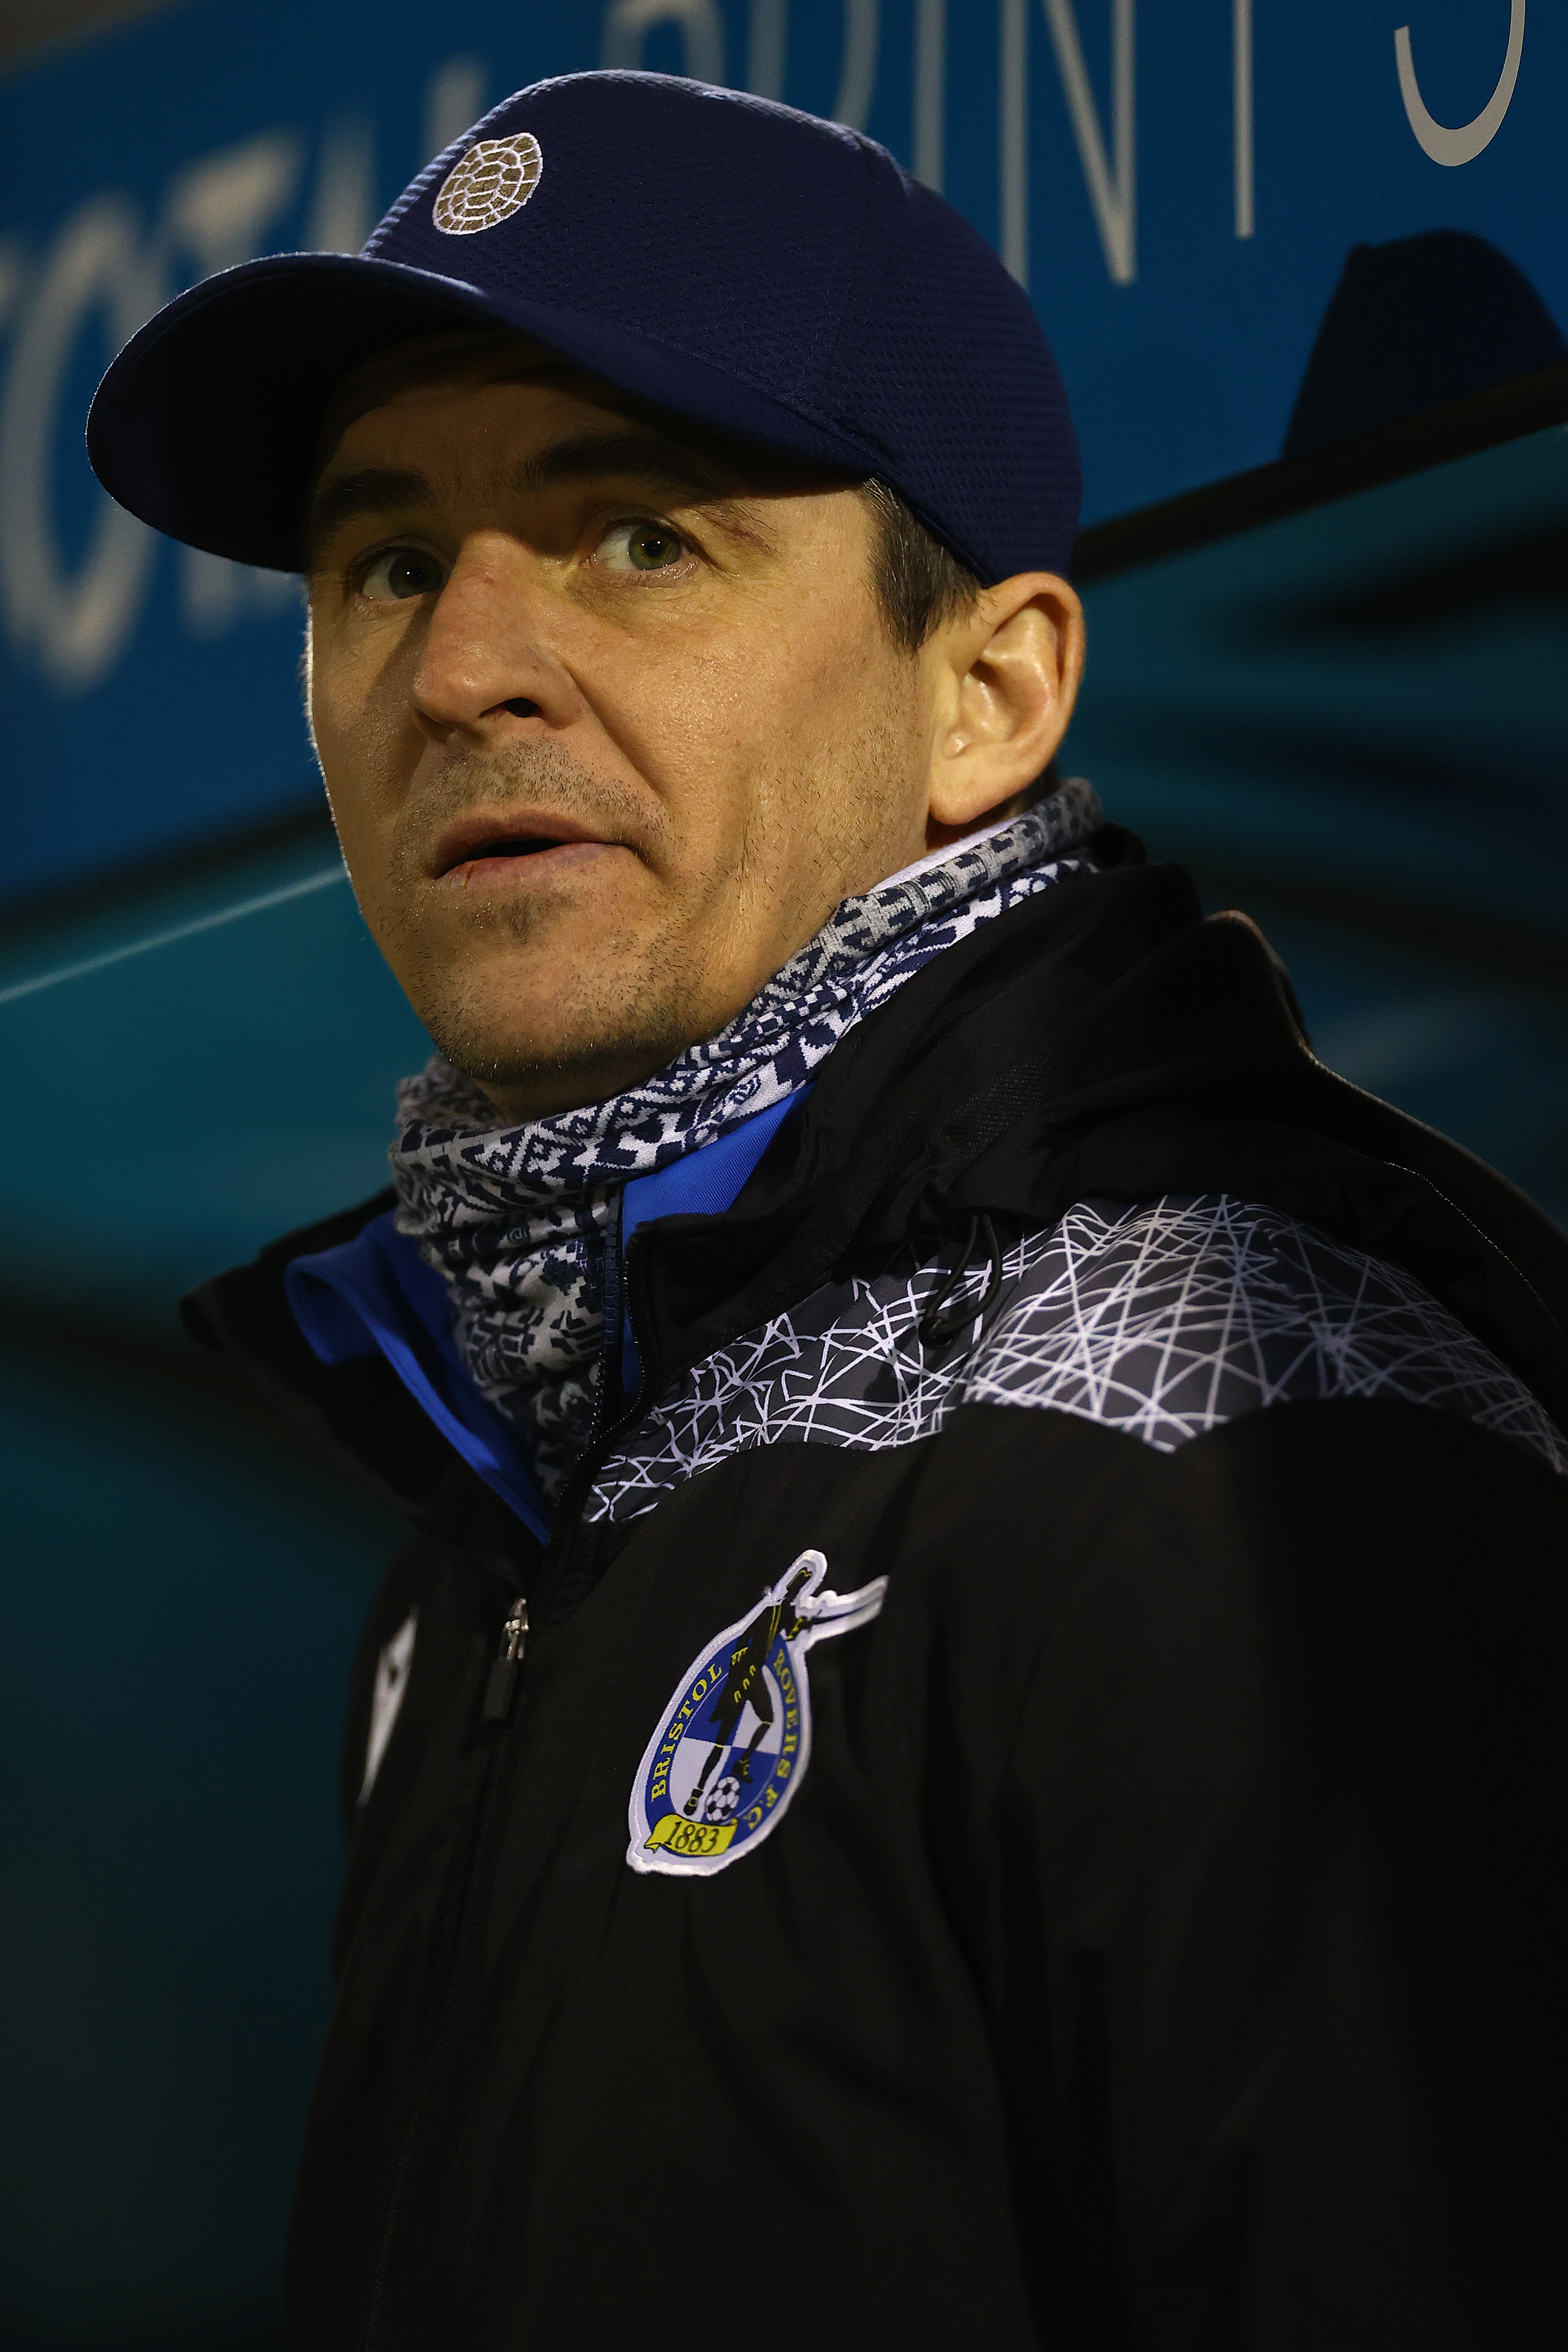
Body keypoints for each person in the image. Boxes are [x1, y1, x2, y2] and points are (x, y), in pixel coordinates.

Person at [88, 71, 1568, 2352]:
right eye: (386, 561)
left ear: (990, 693)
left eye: (640, 537)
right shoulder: (479, 1518)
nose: (460, 665)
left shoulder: (1239, 1414)